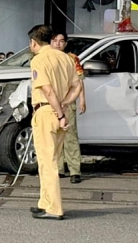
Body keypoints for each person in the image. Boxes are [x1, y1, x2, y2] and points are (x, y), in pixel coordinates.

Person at [27, 25, 81, 220]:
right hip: (61, 111)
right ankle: (45, 202)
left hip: (46, 112)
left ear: (34, 42)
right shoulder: (65, 58)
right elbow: (77, 87)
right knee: (49, 159)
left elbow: (48, 90)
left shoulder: (38, 60)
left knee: (47, 162)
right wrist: (64, 106)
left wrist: (59, 113)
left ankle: (54, 208)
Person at [51, 32, 85, 184]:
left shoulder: (72, 59)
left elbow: (79, 82)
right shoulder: (45, 58)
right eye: (55, 40)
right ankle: (57, 169)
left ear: (65, 44)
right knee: (54, 137)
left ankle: (74, 170)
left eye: (61, 41)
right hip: (50, 103)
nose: (58, 44)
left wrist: (82, 100)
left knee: (70, 136)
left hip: (67, 101)